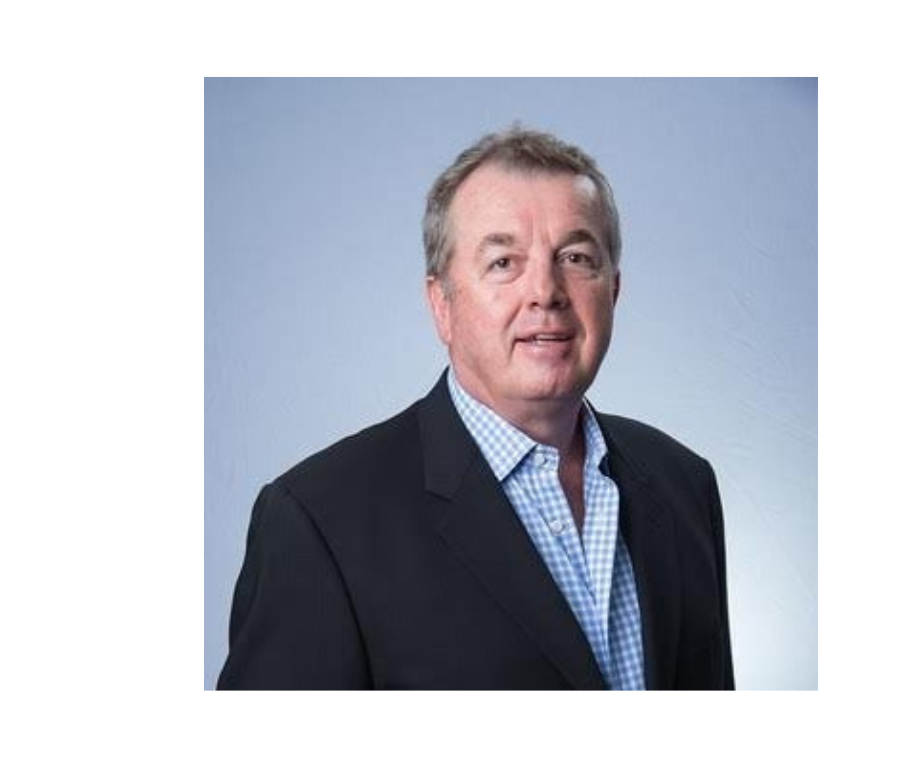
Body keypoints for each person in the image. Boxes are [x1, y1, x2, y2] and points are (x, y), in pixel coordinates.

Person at [217, 126, 734, 690]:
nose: (545, 292)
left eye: (576, 257)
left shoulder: (683, 484)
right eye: (503, 262)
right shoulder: (319, 521)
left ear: (612, 290)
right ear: (442, 304)